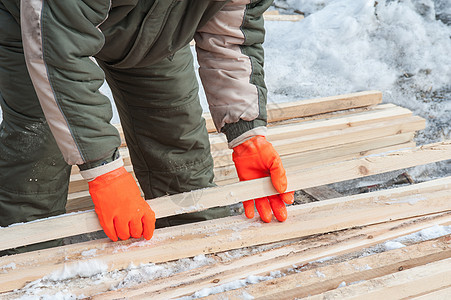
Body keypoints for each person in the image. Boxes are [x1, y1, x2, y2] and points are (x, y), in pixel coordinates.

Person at [0, 0, 294, 255]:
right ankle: (25, 265)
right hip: (41, 26)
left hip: (151, 31)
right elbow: (58, 50)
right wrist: (104, 173)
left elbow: (232, 35)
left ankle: (198, 265)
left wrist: (246, 135)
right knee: (39, 148)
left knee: (178, 153)